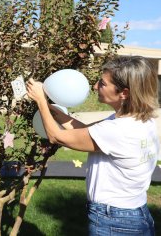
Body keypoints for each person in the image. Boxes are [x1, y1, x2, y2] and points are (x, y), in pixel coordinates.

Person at [26, 55, 159, 235]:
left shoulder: (118, 130)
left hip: (113, 219)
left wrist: (41, 100)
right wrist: (55, 113)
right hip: (135, 213)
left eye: (102, 84)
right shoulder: (137, 120)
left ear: (124, 93)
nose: (96, 86)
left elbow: (56, 137)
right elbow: (88, 132)